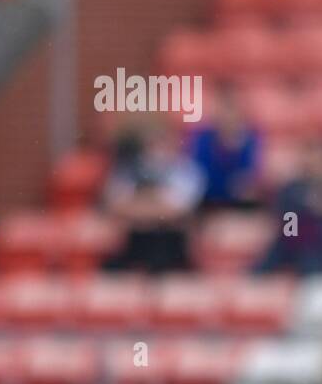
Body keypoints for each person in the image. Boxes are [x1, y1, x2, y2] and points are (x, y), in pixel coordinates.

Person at [102, 125, 204, 273]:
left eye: (165, 143)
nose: (159, 150)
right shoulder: (129, 169)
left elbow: (178, 210)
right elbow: (116, 205)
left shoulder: (187, 171)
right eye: (154, 143)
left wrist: (140, 205)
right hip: (133, 245)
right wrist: (156, 207)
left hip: (172, 248)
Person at [255, 136, 322, 276]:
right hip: (291, 254)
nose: (318, 166)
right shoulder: (290, 191)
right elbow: (289, 231)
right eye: (314, 160)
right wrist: (308, 207)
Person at [188, 95, 261, 211]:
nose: (228, 119)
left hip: (238, 205)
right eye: (224, 114)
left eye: (232, 114)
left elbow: (250, 178)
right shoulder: (203, 138)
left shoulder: (250, 139)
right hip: (206, 202)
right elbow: (198, 175)